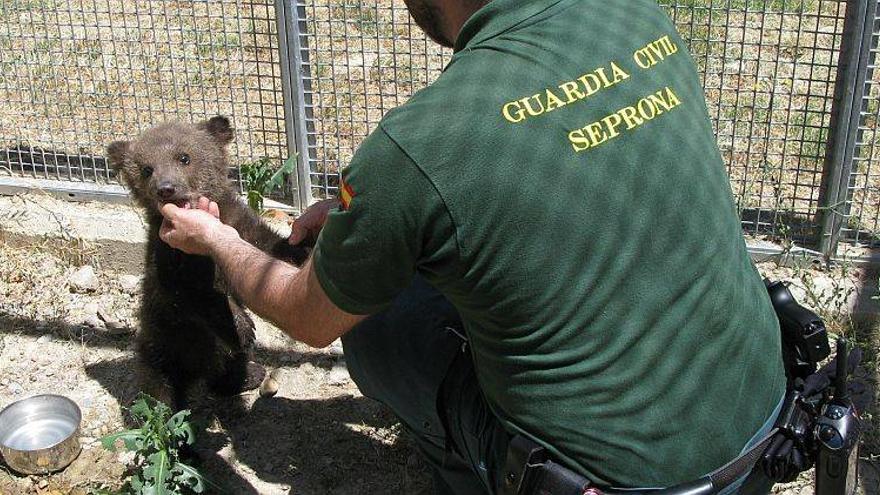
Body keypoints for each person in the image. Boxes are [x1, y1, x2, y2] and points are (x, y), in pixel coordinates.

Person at [158, 0, 787, 493]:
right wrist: (382, 220)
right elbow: (557, 156)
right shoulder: (637, 15)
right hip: (765, 426)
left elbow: (305, 314)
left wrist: (215, 237)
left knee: (377, 328)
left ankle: (477, 477)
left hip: (623, 484)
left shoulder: (421, 142)